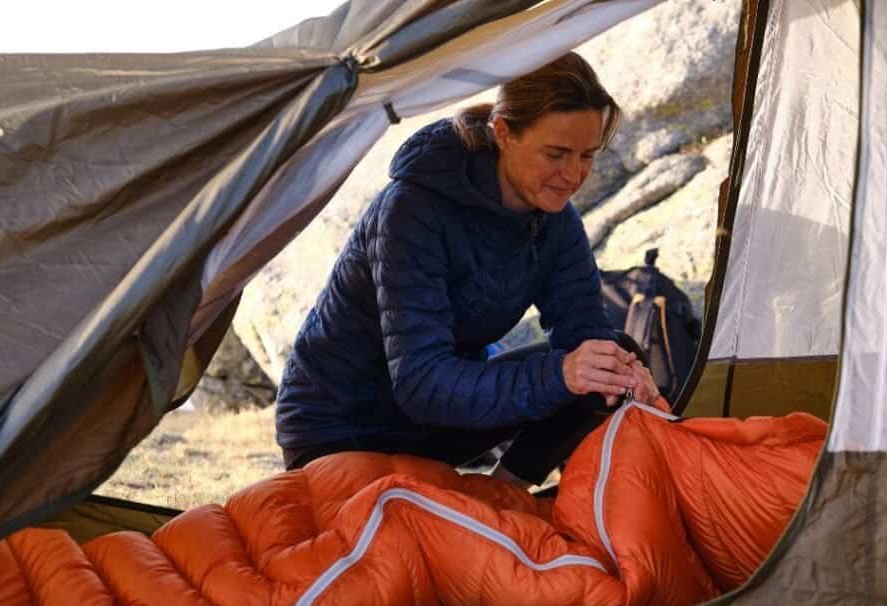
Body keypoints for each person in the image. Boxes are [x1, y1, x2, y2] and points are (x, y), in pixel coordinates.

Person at [276, 52, 663, 485]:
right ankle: (486, 509)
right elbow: (420, 383)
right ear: (503, 132)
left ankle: (506, 493)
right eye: (556, 154)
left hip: (432, 422)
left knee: (614, 354)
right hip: (341, 430)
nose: (572, 175)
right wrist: (559, 374)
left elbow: (586, 336)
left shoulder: (556, 220)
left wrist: (624, 372)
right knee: (575, 372)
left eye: (588, 156)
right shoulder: (412, 209)